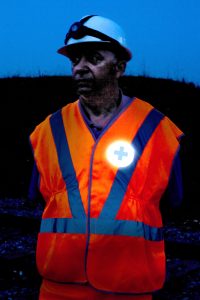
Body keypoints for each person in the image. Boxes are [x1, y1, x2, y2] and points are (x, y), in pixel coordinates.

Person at [29, 15, 184, 300]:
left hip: (129, 288)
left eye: (94, 58)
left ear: (120, 67)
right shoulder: (47, 131)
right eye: (75, 60)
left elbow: (173, 203)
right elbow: (45, 200)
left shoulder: (159, 130)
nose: (80, 68)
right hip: (58, 287)